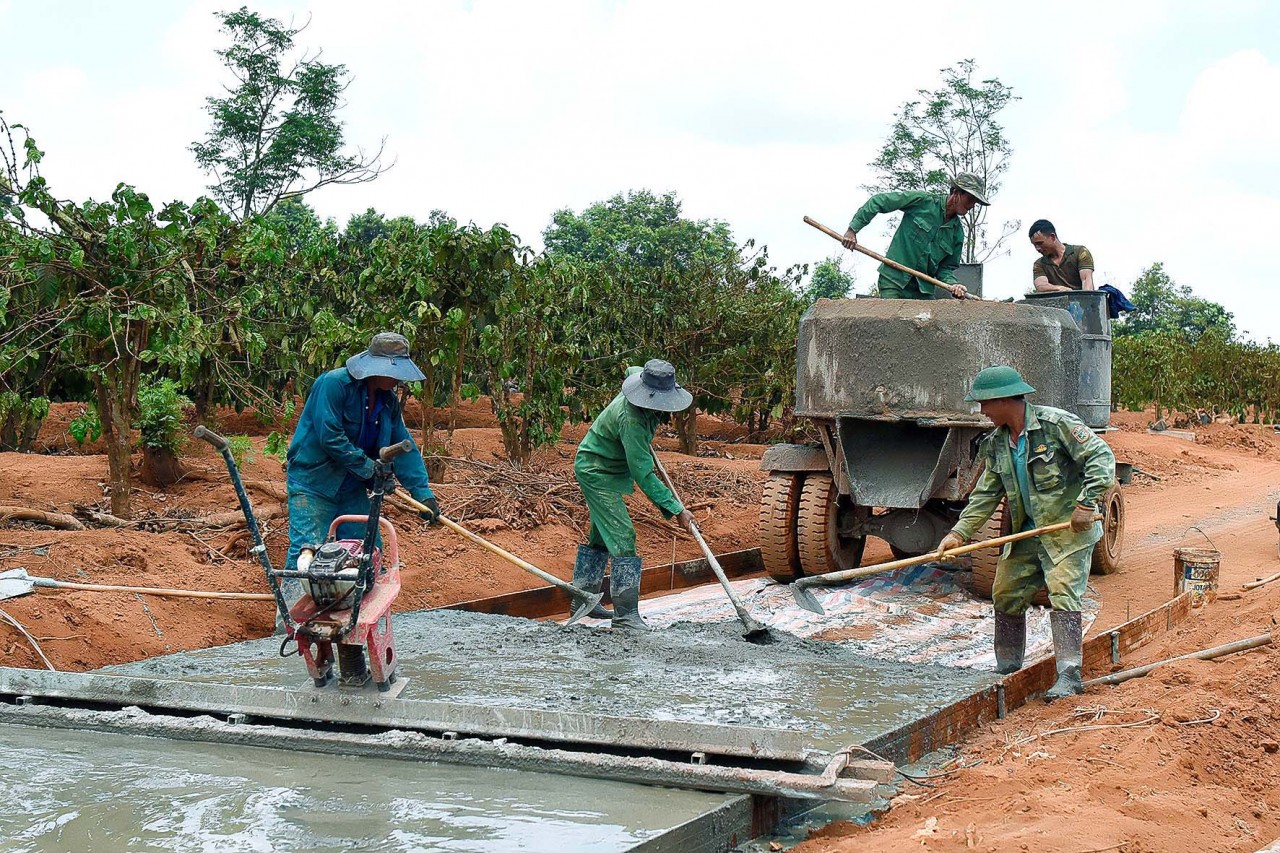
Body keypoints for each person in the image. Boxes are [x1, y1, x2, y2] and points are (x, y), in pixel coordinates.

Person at [936, 366, 1115, 701]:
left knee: (1063, 592)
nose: (982, 411)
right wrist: (959, 534)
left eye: (984, 404)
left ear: (1003, 400)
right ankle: (1007, 667)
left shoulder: (1055, 425)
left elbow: (1101, 457)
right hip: (1027, 532)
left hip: (1067, 532)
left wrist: (1086, 504)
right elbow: (986, 495)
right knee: (1005, 591)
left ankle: (1069, 675)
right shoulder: (997, 444)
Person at [284, 333, 441, 604]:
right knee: (306, 552)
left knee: (367, 552)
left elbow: (403, 446)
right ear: (375, 368)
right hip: (314, 482)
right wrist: (370, 469)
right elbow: (330, 437)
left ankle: (357, 616)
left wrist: (422, 494)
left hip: (351, 486)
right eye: (393, 372)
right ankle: (288, 620)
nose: (398, 380)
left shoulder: (388, 402)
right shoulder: (333, 385)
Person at [571, 360, 695, 630]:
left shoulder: (640, 380)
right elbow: (643, 474)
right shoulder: (632, 422)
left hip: (609, 468)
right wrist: (676, 509)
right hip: (596, 471)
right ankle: (626, 615)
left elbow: (632, 370)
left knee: (602, 535)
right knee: (623, 536)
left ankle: (583, 601)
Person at [840, 173, 989, 300]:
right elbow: (879, 201)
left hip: (923, 291)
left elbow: (945, 269)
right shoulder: (923, 201)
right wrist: (853, 230)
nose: (972, 206)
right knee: (893, 325)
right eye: (970, 199)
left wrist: (953, 284)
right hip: (894, 281)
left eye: (975, 202)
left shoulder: (957, 233)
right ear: (956, 193)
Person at [1029, 220, 1096, 292]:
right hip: (1055, 302)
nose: (1037, 248)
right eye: (1035, 245)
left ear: (1052, 237)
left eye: (1040, 243)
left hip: (1080, 300)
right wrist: (1061, 289)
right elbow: (1041, 286)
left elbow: (1087, 283)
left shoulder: (1080, 252)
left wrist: (1085, 300)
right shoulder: (1039, 264)